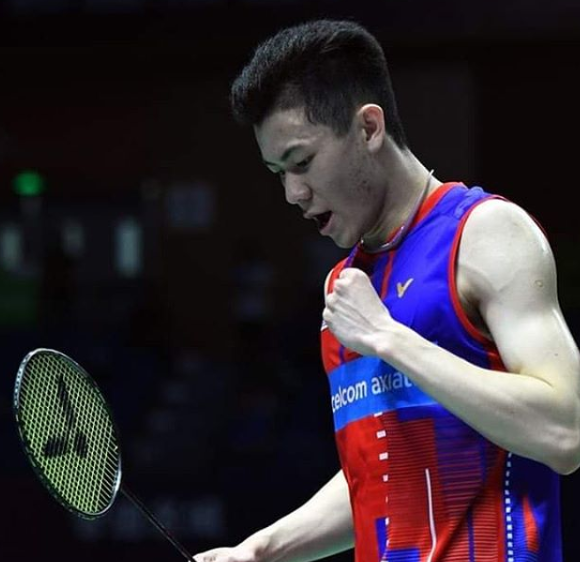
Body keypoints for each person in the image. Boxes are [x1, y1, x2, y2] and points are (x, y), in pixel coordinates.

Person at [194, 19, 580, 562]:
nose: (292, 193)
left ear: (369, 128)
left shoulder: (483, 235)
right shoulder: (345, 290)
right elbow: (384, 472)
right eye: (278, 172)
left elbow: (566, 432)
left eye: (302, 163)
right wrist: (259, 550)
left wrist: (388, 338)